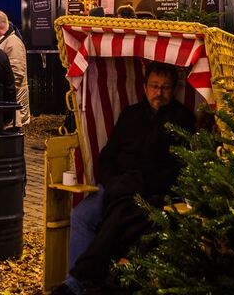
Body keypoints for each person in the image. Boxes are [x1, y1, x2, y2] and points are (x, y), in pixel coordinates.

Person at [55, 62, 196, 294]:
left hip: (151, 191)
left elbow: (178, 166)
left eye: (165, 87)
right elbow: (108, 155)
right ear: (144, 86)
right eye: (154, 86)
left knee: (123, 212)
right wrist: (112, 183)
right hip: (116, 185)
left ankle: (76, 284)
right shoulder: (130, 114)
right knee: (82, 215)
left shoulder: (182, 118)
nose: (159, 93)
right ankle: (86, 281)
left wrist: (138, 183)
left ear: (173, 89)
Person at [0, 10, 30, 126]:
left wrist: (5, 98)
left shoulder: (13, 43)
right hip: (8, 104)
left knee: (10, 140)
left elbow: (16, 75)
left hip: (12, 106)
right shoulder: (4, 41)